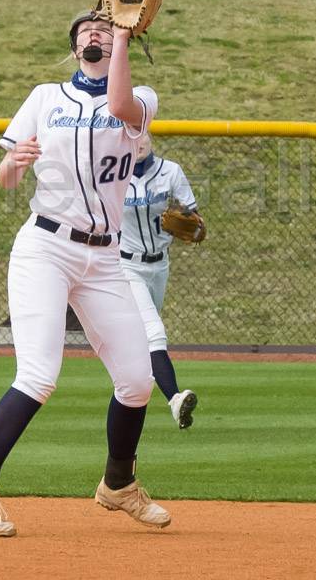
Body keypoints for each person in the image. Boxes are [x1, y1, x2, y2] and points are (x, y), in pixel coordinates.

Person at [0, 10, 170, 538]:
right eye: (85, 32)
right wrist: (14, 163)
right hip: (46, 248)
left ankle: (118, 484)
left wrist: (122, 34)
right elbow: (5, 178)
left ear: (123, 43)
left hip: (105, 259)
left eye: (103, 28)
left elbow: (117, 104)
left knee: (138, 382)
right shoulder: (44, 97)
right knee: (39, 376)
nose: (94, 33)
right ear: (73, 50)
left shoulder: (141, 100)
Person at [120, 133, 200, 429]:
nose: (138, 141)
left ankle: (130, 392)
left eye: (142, 135)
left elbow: (192, 215)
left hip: (160, 265)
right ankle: (175, 398)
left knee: (142, 340)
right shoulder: (111, 175)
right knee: (154, 333)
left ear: (151, 138)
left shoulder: (171, 171)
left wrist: (195, 225)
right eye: (131, 136)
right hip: (126, 264)